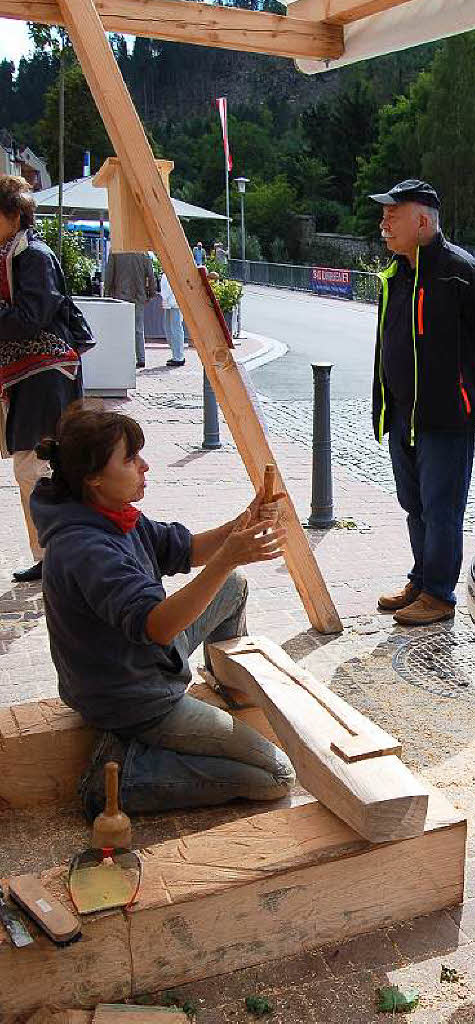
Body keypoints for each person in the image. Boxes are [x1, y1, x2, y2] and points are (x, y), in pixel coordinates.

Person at [31, 404, 295, 817]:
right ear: (94, 479)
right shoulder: (85, 548)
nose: (145, 466)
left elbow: (187, 549)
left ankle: (226, 687)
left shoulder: (110, 514)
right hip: (131, 697)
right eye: (131, 459)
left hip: (140, 661)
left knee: (231, 585)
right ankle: (121, 780)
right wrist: (228, 556)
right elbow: (157, 626)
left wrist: (244, 521)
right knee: (276, 777)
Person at [370, 179, 475, 626]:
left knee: (442, 509)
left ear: (422, 220)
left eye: (392, 216)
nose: (383, 225)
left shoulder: (463, 272)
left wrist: (472, 405)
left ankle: (438, 594)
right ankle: (422, 577)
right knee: (414, 505)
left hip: (447, 422)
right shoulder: (397, 275)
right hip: (403, 417)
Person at [0, 174, 94, 583]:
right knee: (31, 466)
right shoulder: (16, 254)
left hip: (45, 372)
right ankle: (49, 555)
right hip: (30, 374)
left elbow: (30, 318)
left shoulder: (33, 255)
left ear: (14, 216)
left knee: (38, 466)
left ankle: (58, 555)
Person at [104, 249, 157, 368]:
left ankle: (123, 356)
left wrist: (107, 292)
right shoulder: (143, 252)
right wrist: (151, 293)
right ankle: (141, 358)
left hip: (120, 295)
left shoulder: (116, 251)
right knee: (138, 328)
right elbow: (151, 274)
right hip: (139, 295)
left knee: (121, 328)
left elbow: (109, 273)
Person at [160, 270, 185, 367]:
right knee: (169, 328)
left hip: (175, 301)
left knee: (175, 328)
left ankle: (179, 356)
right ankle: (176, 354)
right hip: (169, 301)